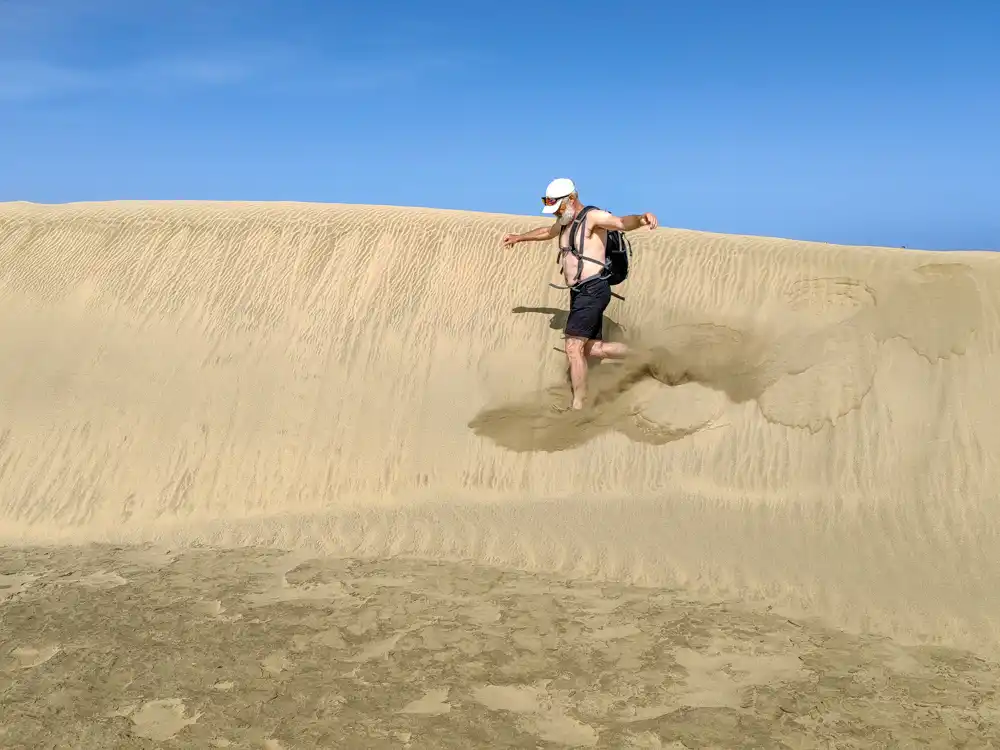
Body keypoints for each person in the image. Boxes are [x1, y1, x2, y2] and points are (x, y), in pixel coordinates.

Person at [502, 177, 658, 410]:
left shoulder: (592, 216)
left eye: (559, 206)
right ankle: (646, 356)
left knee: (573, 347)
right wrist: (519, 237)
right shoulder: (564, 221)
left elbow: (621, 222)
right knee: (591, 348)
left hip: (593, 289)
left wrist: (642, 218)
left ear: (572, 198)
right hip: (579, 292)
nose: (555, 213)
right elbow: (547, 231)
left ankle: (579, 405)